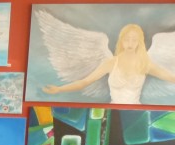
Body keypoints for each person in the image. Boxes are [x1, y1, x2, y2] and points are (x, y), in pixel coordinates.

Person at [42, 23, 175, 104]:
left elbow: (170, 77)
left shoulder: (145, 63)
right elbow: (85, 82)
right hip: (112, 110)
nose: (130, 43)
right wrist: (59, 89)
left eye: (134, 40)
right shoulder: (111, 62)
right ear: (121, 41)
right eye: (127, 39)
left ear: (139, 42)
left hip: (136, 112)